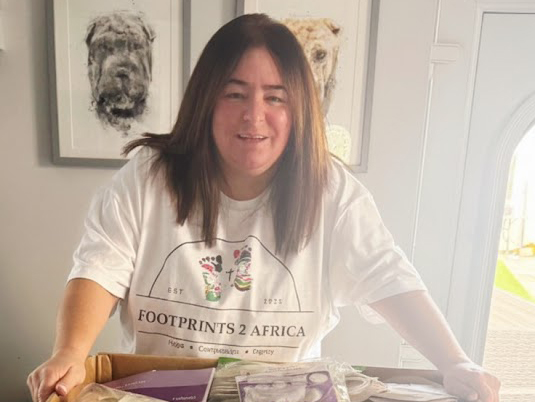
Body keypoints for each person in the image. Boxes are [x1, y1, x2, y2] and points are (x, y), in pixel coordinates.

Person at [27, 13, 500, 402]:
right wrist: (70, 352)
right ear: (206, 101)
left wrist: (454, 361)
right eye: (234, 94)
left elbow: (389, 278)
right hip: (162, 393)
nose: (254, 115)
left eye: (275, 97)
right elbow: (99, 267)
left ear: (300, 109)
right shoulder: (148, 178)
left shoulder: (332, 191)